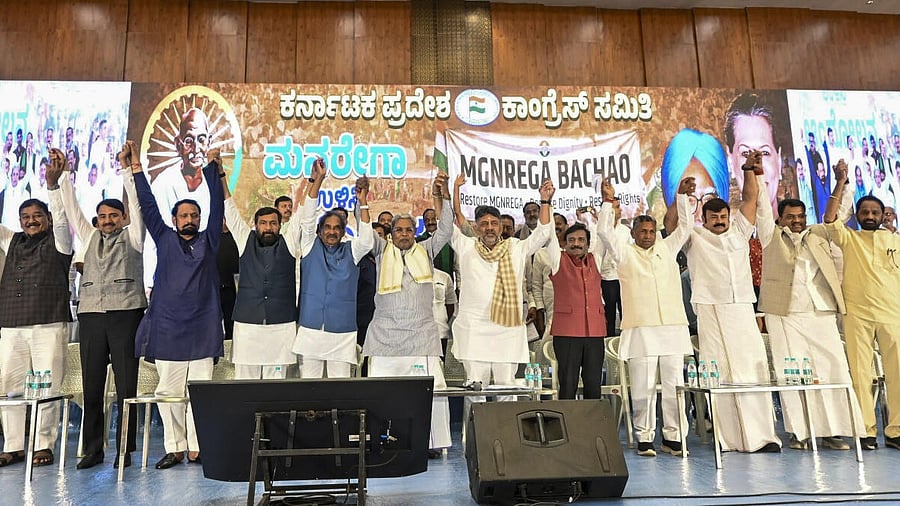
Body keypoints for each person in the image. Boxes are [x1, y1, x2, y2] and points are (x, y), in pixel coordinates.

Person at [671, 150, 781, 453]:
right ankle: (729, 439)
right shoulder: (694, 237)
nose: (719, 222)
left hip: (742, 308)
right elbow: (673, 225)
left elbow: (749, 200)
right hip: (710, 309)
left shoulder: (739, 232)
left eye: (722, 217)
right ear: (703, 219)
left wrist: (748, 169)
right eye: (713, 218)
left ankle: (762, 437)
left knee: (751, 370)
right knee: (720, 373)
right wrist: (682, 198)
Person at [54, 142, 146, 470]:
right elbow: (72, 208)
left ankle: (124, 449)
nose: (107, 221)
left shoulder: (135, 237)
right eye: (103, 217)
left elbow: (137, 204)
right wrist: (64, 175)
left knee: (126, 387)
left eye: (113, 216)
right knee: (92, 385)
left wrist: (127, 169)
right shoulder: (89, 236)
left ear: (122, 218)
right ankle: (93, 450)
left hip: (126, 314)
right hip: (91, 315)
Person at [134, 146, 225, 470]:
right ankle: (174, 447)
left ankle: (198, 447)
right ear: (174, 220)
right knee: (169, 392)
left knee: (199, 392)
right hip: (169, 328)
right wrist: (135, 168)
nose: (190, 220)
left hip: (202, 328)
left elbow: (217, 209)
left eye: (194, 216)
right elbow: (147, 205)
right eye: (184, 216)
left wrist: (213, 170)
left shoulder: (210, 239)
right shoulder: (164, 236)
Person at [758, 183, 863, 451]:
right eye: (791, 217)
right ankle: (800, 431)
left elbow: (839, 213)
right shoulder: (770, 235)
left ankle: (834, 430)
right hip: (784, 314)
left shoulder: (817, 234)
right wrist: (757, 176)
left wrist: (841, 182)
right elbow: (759, 207)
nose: (796, 221)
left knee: (832, 368)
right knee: (792, 372)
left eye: (800, 216)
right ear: (780, 218)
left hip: (820, 312)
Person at [597, 176, 693, 457]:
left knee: (676, 384)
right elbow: (604, 231)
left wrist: (684, 197)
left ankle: (674, 437)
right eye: (643, 231)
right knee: (643, 386)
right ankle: (644, 437)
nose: (648, 235)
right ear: (634, 233)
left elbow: (686, 226)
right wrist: (607, 201)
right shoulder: (623, 253)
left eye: (652, 230)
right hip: (641, 329)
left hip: (673, 327)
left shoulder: (667, 248)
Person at [364, 173, 453, 455]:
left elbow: (447, 230)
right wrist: (362, 201)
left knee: (434, 392)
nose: (403, 234)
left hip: (421, 337)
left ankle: (434, 444)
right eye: (399, 230)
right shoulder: (380, 252)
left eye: (408, 230)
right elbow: (366, 231)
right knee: (381, 395)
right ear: (391, 233)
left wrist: (445, 196)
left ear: (414, 232)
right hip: (385, 337)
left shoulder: (425, 250)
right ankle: (382, 441)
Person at [449, 173, 554, 396]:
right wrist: (454, 190)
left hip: (507, 331)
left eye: (494, 223)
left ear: (500, 227)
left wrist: (545, 200)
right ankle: (475, 432)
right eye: (484, 224)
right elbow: (453, 218)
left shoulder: (516, 247)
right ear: (476, 227)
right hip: (474, 330)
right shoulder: (465, 246)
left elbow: (544, 232)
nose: (489, 228)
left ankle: (505, 433)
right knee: (475, 394)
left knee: (508, 391)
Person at [0, 155, 73, 469]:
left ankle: (43, 443)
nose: (31, 221)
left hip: (48, 324)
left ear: (48, 218)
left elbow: (60, 217)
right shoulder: (11, 241)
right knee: (7, 385)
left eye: (37, 216)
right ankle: (14, 444)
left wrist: (53, 186)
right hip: (11, 325)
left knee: (46, 387)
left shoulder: (60, 243)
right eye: (26, 216)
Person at [823, 159, 900, 451]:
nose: (870, 215)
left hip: (893, 315)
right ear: (857, 215)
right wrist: (841, 182)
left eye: (875, 212)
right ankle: (865, 429)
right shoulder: (849, 237)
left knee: (898, 375)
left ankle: (895, 431)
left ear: (883, 215)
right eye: (865, 211)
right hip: (858, 314)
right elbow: (830, 220)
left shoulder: (895, 240)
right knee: (861, 373)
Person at [223, 163, 306, 379]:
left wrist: (315, 182)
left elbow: (303, 213)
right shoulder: (244, 240)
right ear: (255, 225)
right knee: (244, 389)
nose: (268, 228)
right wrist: (221, 175)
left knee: (275, 390)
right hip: (247, 328)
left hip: (281, 328)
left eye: (273, 223)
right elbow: (229, 210)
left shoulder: (288, 244)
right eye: (263, 223)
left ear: (280, 226)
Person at [292, 161, 374, 378]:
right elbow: (308, 219)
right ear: (319, 231)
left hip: (342, 332)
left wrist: (363, 201)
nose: (332, 231)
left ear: (343, 231)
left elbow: (366, 241)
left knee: (340, 392)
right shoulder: (309, 246)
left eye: (337, 228)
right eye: (327, 227)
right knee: (309, 391)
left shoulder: (351, 251)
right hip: (310, 330)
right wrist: (317, 180)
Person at [545, 221, 607, 399]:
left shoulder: (597, 260)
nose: (576, 243)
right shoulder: (558, 261)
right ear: (563, 244)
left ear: (588, 244)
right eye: (571, 240)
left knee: (594, 383)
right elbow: (549, 234)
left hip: (595, 332)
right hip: (567, 333)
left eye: (581, 240)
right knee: (568, 384)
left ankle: (591, 426)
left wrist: (608, 203)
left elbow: (604, 232)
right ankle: (567, 425)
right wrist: (546, 202)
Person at [723, 92, 784, 216]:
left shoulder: (801, 231)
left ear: (778, 160)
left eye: (765, 152)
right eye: (745, 153)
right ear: (731, 161)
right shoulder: (724, 233)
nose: (757, 165)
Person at [660, 128, 730, 225]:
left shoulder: (733, 238)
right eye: (689, 201)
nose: (700, 216)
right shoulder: (659, 240)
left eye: (708, 199)